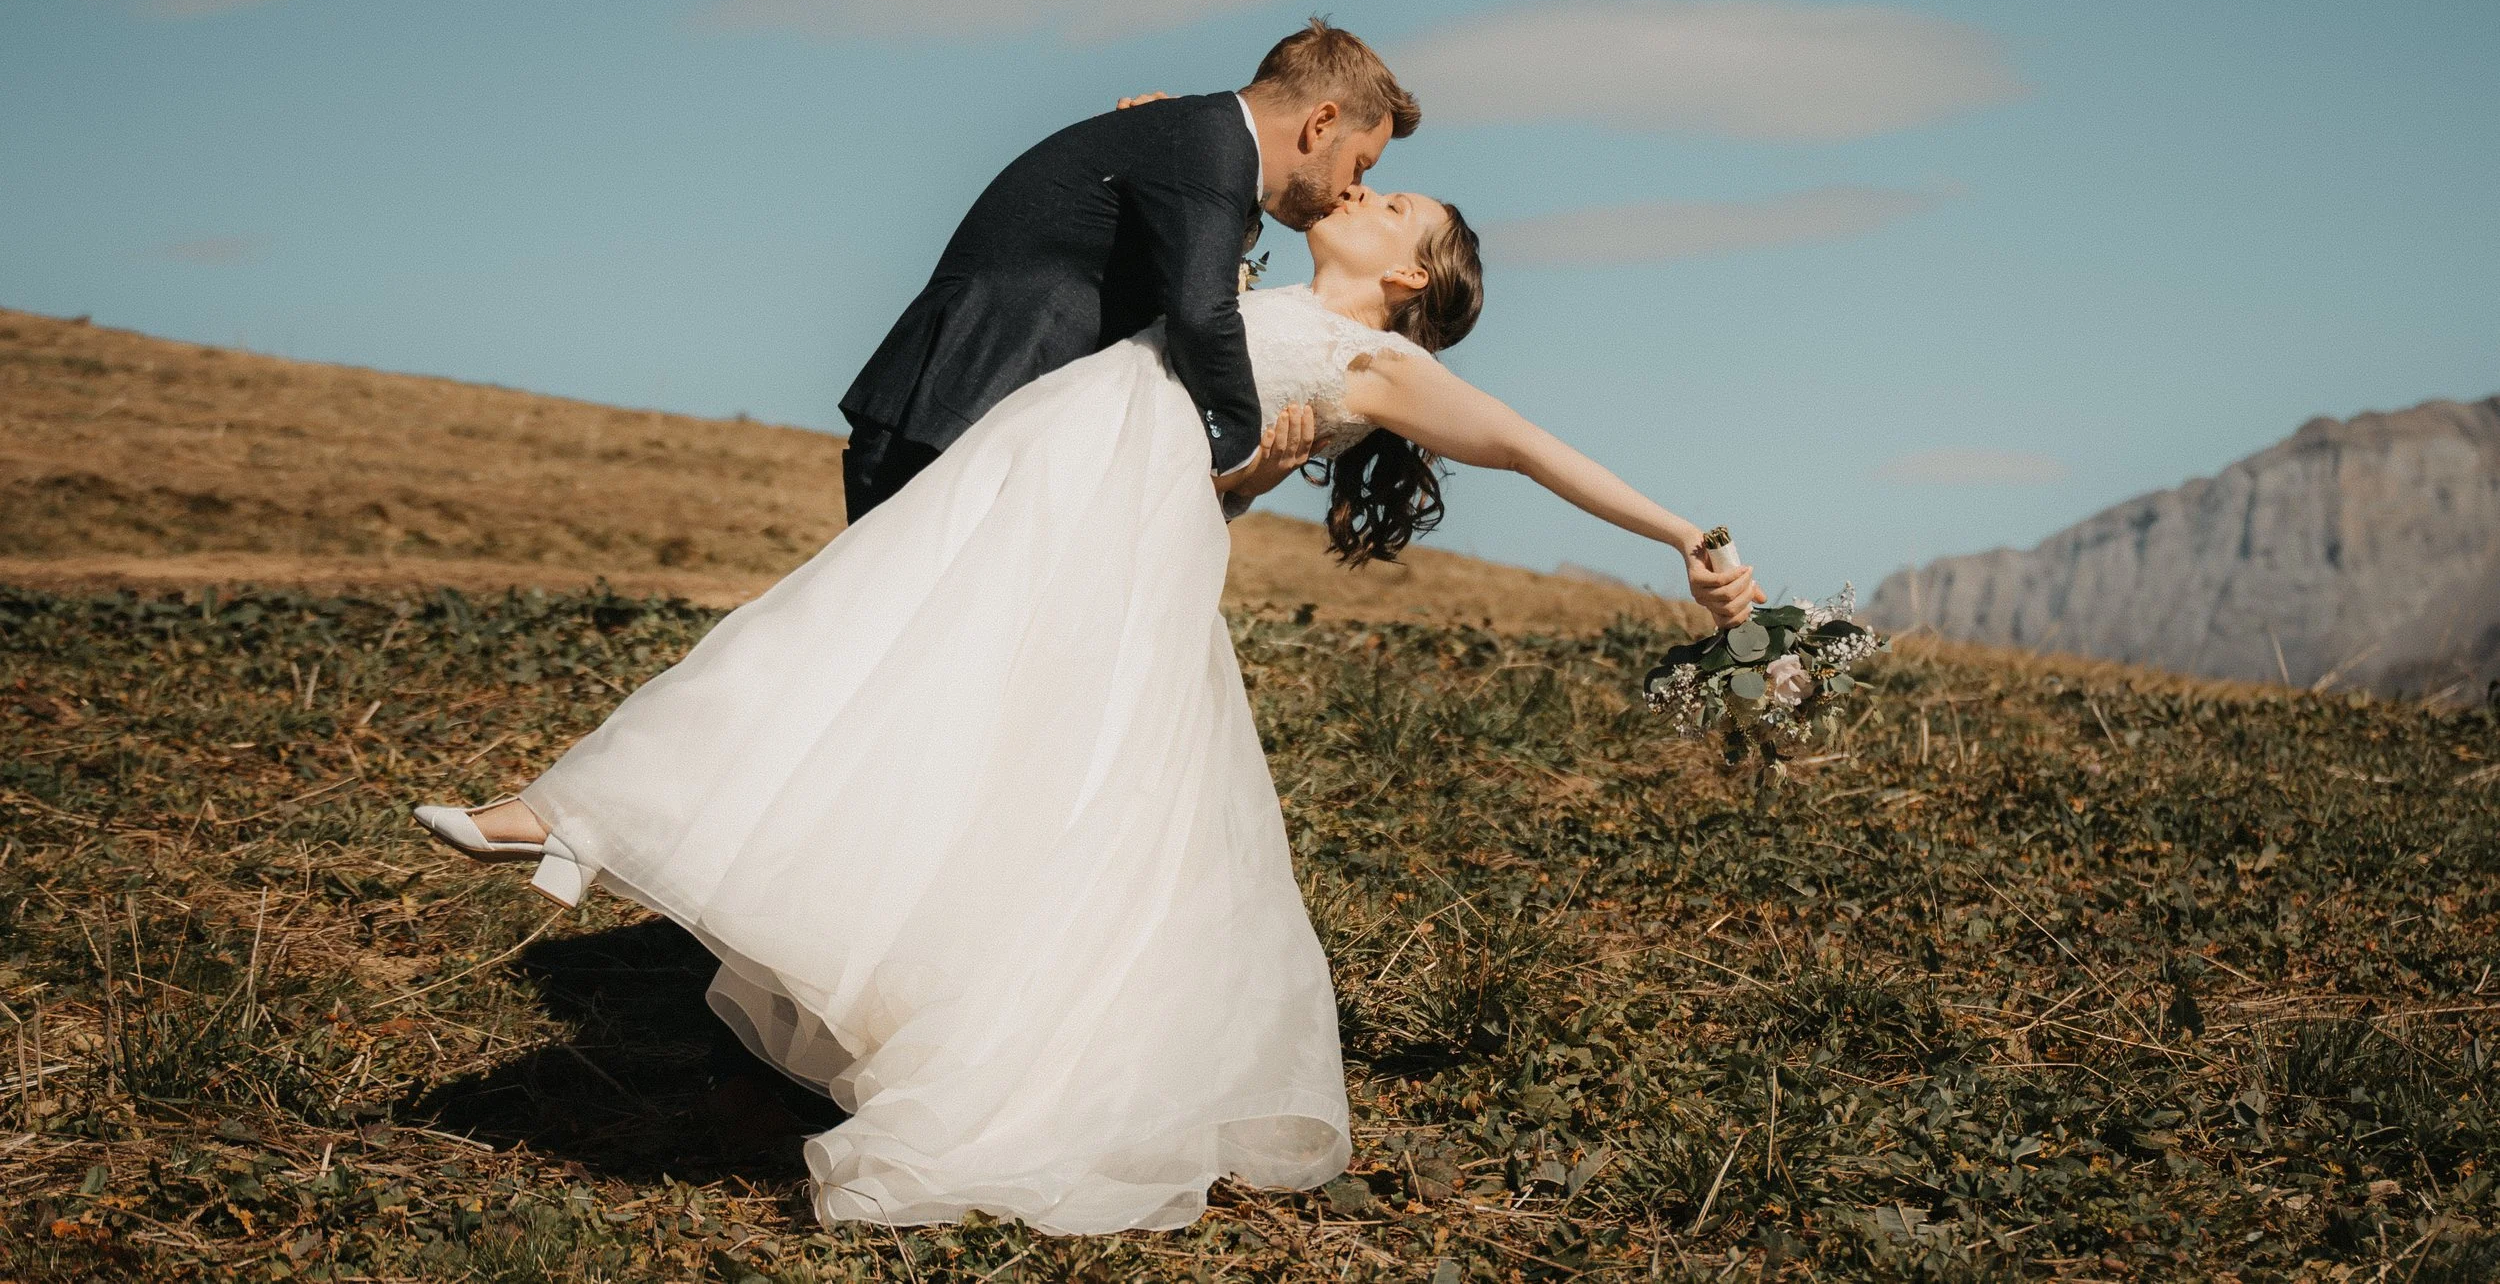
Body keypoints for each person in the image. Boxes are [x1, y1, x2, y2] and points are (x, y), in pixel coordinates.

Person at [414, 179, 1763, 1241]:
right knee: (847, 666)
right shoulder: (1260, 301)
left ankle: (587, 819)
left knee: (894, 692)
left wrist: (1684, 537)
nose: (1369, 190)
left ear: (1411, 276)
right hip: (1030, 499)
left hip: (1077, 544)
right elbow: (1196, 445)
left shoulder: (1370, 357)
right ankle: (583, 813)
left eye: (1398, 203)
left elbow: (1525, 442)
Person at [836, 17, 1412, 523]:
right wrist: (1239, 457)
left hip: (979, 419)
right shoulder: (1210, 140)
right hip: (959, 407)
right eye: (1359, 164)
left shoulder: (1199, 138)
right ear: (1321, 122)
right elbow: (1201, 314)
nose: (1352, 188)